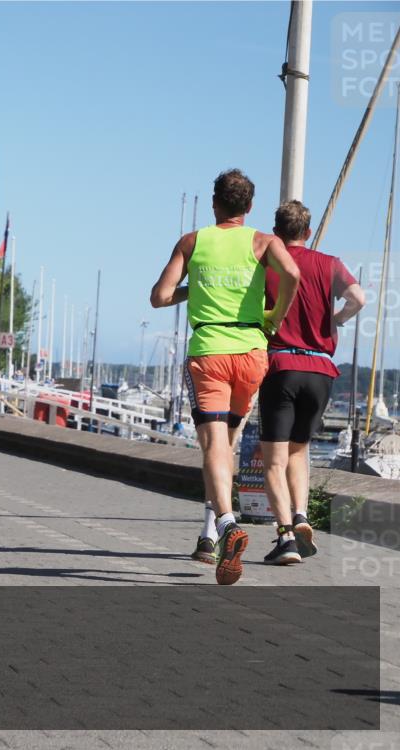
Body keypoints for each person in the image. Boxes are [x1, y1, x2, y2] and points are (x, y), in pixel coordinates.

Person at [150, 169, 299, 585]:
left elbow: (160, 296)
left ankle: (225, 524)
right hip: (252, 352)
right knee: (228, 444)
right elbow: (293, 275)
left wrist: (194, 287)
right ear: (249, 207)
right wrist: (275, 316)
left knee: (214, 446)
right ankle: (210, 534)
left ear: (214, 203)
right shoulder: (263, 242)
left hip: (210, 352)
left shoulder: (192, 242)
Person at [259, 200, 364, 564]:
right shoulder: (329, 264)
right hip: (320, 371)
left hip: (282, 366)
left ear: (276, 232)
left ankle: (286, 537)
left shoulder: (268, 263)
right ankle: (302, 514)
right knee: (299, 450)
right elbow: (359, 298)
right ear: (308, 231)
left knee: (273, 461)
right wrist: (336, 319)